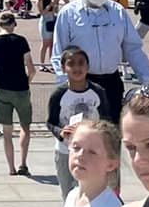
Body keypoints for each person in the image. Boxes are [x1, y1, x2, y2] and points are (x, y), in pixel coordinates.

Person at [53, 0, 149, 116]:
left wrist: (148, 82)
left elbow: (133, 49)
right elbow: (59, 53)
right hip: (82, 84)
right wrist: (65, 88)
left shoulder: (117, 11)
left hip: (113, 83)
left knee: (113, 133)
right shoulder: (67, 14)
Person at [48, 46, 112, 198]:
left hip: (92, 152)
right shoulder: (59, 94)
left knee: (90, 192)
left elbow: (106, 121)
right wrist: (61, 132)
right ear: (64, 68)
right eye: (71, 64)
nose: (77, 68)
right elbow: (50, 122)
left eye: (81, 63)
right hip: (65, 151)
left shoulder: (98, 92)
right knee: (68, 194)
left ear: (88, 67)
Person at [0, 10, 37, 176]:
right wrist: (27, 81)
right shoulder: (21, 41)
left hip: (2, 89)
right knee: (25, 127)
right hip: (21, 89)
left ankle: (11, 167)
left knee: (7, 132)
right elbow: (32, 69)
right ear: (13, 23)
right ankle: (23, 163)